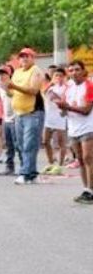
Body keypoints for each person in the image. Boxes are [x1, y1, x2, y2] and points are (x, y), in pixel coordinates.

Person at [4, 48, 45, 185]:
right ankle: (32, 174)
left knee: (29, 144)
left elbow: (33, 90)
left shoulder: (36, 71)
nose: (24, 59)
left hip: (33, 112)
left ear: (33, 58)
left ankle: (25, 173)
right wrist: (6, 88)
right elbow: (12, 93)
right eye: (22, 57)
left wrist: (14, 86)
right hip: (19, 113)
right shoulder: (17, 72)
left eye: (27, 56)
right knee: (21, 145)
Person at [56, 60, 93, 203]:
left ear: (83, 71)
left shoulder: (89, 86)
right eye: (71, 70)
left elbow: (86, 110)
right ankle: (86, 190)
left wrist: (68, 107)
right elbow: (64, 112)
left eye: (77, 69)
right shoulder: (68, 88)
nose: (74, 73)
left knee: (88, 158)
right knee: (81, 160)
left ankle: (91, 190)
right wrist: (62, 108)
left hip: (88, 127)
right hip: (73, 129)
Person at [41, 67, 68, 175]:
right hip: (49, 117)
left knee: (61, 143)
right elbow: (43, 92)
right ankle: (51, 163)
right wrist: (51, 84)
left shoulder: (66, 88)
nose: (58, 77)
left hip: (60, 117)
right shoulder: (50, 87)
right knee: (45, 141)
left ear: (64, 77)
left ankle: (60, 165)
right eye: (56, 75)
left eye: (61, 76)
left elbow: (66, 101)